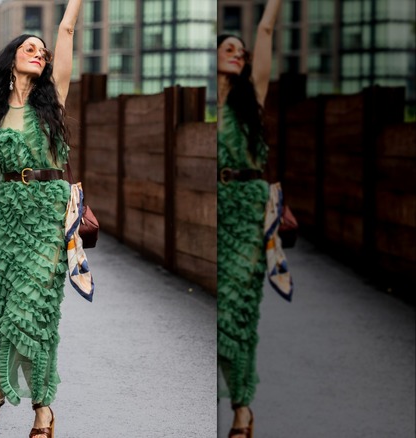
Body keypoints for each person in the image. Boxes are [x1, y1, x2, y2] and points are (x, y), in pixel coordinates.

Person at [0, 1, 82, 436]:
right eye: (30, 47)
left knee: (37, 309)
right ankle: (41, 412)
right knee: (11, 312)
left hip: (50, 215)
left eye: (43, 51)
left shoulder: (54, 104)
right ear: (12, 58)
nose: (39, 52)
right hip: (7, 220)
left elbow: (67, 31)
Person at [216, 0, 282, 437]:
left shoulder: (250, 101)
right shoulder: (209, 110)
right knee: (220, 316)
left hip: (247, 207)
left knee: (236, 311)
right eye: (229, 48)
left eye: (242, 50)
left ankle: (242, 408)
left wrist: (271, 9)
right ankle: (240, 405)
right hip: (215, 209)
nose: (238, 53)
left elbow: (265, 33)